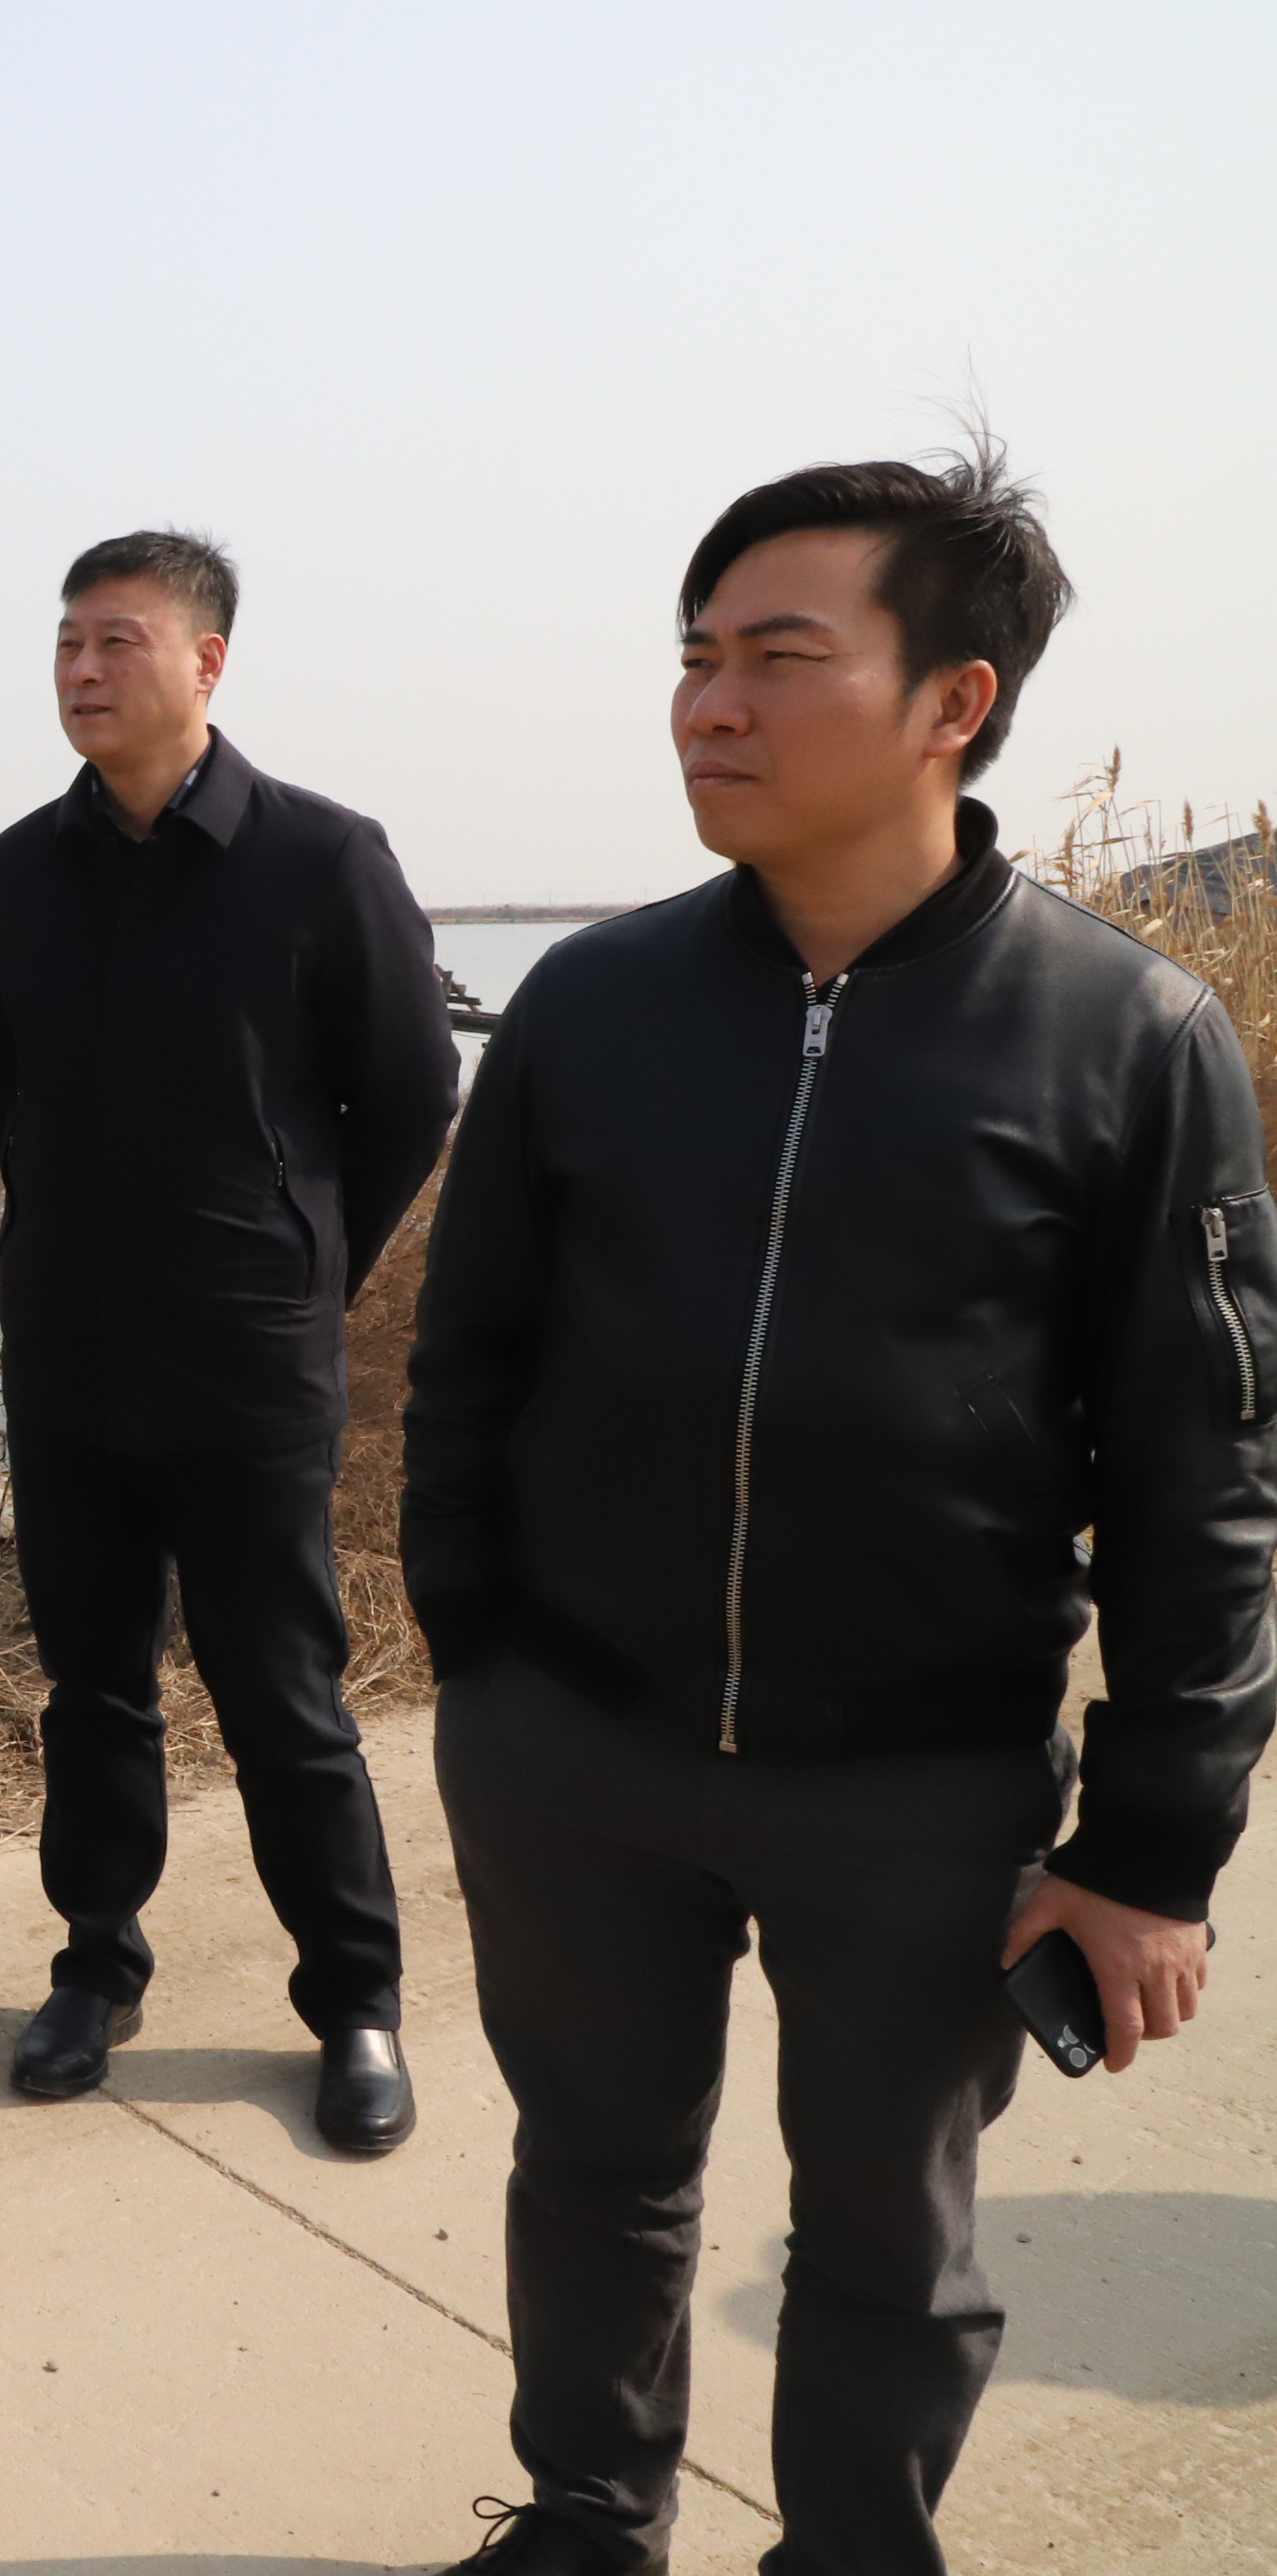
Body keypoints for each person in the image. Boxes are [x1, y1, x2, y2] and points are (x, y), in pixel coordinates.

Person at [401, 443, 1266, 2576]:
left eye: (777, 658)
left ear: (953, 700)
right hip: (577, 1747)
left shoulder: (1127, 1037)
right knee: (591, 2167)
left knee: (888, 2227)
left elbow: (1205, 1476)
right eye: (694, 656)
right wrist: (479, 1659)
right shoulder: (593, 1003)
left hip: (919, 1780)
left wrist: (1149, 1848)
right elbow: (467, 1356)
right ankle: (586, 2516)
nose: (707, 706)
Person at [0, 530, 456, 2148]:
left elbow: (409, 1095)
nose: (84, 669)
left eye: (119, 640)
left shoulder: (319, 858)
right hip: (72, 1361)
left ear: (207, 662)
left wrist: (302, 1265)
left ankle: (356, 2002)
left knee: (282, 1695)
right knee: (95, 1689)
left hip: (248, 1366)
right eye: (68, 643)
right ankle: (96, 1966)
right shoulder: (18, 874)